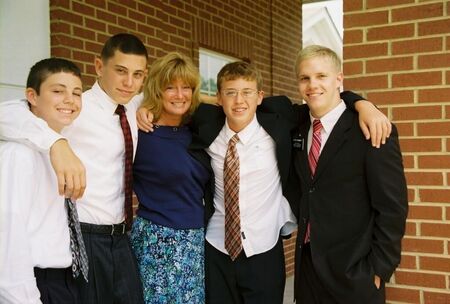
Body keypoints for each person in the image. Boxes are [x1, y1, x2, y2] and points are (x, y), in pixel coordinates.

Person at [184, 60, 392, 304]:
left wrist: (363, 104)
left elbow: (322, 98)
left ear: (260, 97)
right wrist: (146, 111)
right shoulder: (206, 122)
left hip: (263, 249)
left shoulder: (279, 119)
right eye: (230, 93)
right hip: (216, 247)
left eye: (247, 92)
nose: (239, 100)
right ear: (219, 98)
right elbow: (174, 110)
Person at [0, 33, 148, 304]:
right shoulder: (75, 107)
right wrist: (56, 142)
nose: (129, 82)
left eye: (138, 74)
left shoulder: (132, 107)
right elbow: (7, 114)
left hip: (122, 236)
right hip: (83, 235)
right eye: (120, 71)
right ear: (99, 67)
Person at [291, 45, 408, 304]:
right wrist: (360, 101)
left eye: (322, 76)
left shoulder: (371, 129)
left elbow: (392, 207)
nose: (312, 85)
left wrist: (379, 268)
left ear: (339, 79)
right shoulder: (297, 126)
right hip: (308, 270)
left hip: (355, 273)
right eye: (304, 78)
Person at [0, 58, 84, 303]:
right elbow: (8, 236)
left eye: (77, 93)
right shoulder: (18, 155)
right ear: (32, 97)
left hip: (65, 280)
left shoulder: (62, 146)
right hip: (34, 284)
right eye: (58, 91)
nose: (70, 99)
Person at [130, 52, 209, 303]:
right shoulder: (140, 132)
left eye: (186, 87)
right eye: (170, 87)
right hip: (155, 240)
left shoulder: (199, 130)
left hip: (194, 239)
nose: (179, 94)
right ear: (156, 90)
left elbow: (232, 101)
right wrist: (142, 105)